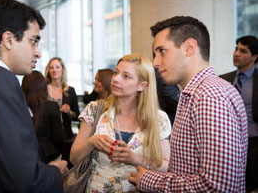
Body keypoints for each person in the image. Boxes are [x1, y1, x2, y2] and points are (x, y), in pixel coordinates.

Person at [0, 0, 67, 193]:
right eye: (33, 41)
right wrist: (55, 172)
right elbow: (24, 180)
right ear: (8, 39)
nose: (38, 53)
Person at [128, 16, 248, 192]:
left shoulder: (209, 96)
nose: (155, 62)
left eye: (162, 51)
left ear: (189, 48)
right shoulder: (197, 93)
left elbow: (218, 187)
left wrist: (149, 180)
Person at [70, 53, 172, 192]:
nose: (116, 79)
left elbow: (166, 166)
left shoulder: (158, 118)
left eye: (126, 76)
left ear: (142, 85)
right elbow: (74, 158)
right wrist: (92, 142)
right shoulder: (95, 110)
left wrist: (135, 158)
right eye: (116, 73)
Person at [219, 35, 258, 192]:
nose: (236, 54)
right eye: (236, 49)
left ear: (255, 56)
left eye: (243, 51)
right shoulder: (223, 80)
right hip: (227, 143)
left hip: (253, 144)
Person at [22, 70, 65, 164]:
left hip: (24, 155)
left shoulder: (19, 106)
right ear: (44, 87)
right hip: (48, 155)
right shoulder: (52, 106)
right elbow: (58, 138)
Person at [45, 57, 80, 168]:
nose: (54, 70)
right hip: (47, 138)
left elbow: (77, 116)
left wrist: (69, 112)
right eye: (51, 67)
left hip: (66, 137)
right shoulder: (43, 90)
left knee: (66, 169)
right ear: (48, 71)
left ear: (63, 70)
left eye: (57, 67)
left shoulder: (70, 91)